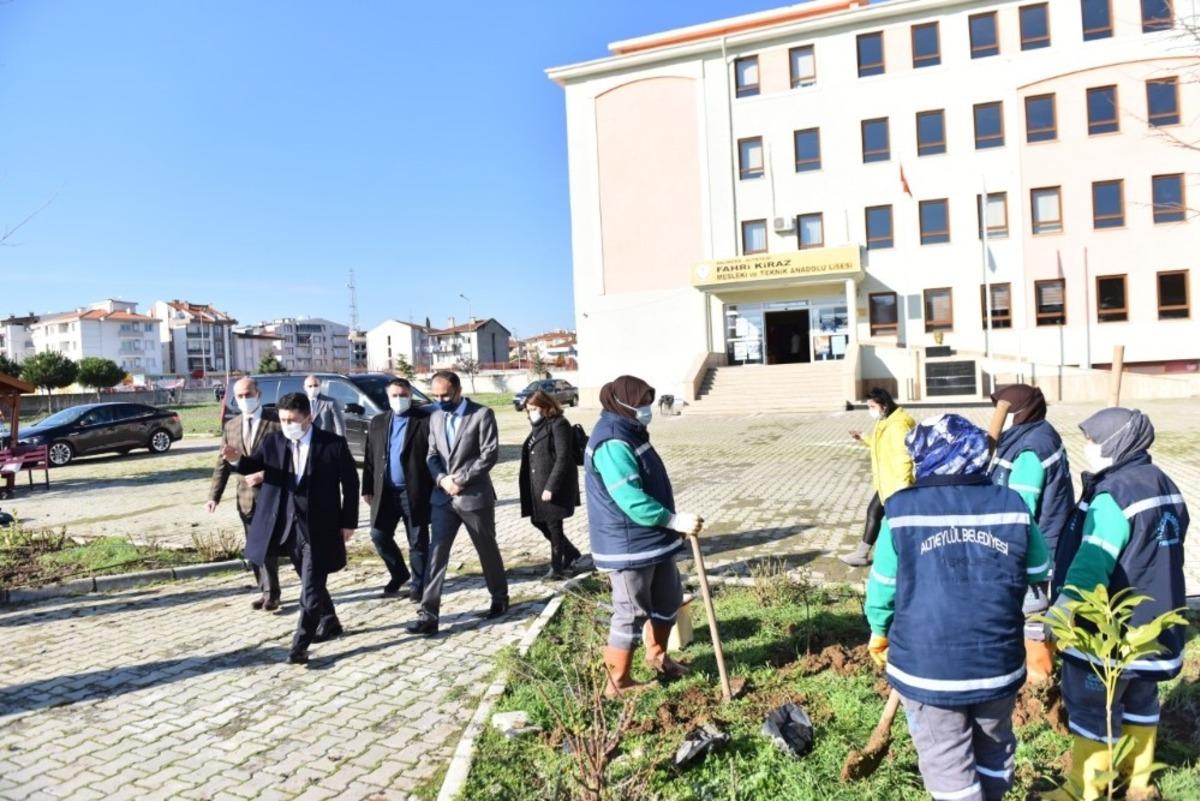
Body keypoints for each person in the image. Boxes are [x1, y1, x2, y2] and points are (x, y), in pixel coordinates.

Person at [865, 414, 1051, 801]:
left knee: (945, 758)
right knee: (995, 746)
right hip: (998, 663)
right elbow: (1038, 567)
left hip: (928, 670)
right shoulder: (1012, 503)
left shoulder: (900, 511)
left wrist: (880, 631)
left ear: (922, 457)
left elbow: (883, 588)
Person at [1045, 408, 1188, 801]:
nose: (1087, 447)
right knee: (1142, 700)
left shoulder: (1114, 496)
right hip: (1154, 624)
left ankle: (1085, 789)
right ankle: (1139, 782)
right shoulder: (1165, 483)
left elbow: (1094, 561)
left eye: (1092, 440)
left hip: (1109, 631)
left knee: (1093, 708)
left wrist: (1064, 608)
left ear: (1115, 443)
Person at [586, 375, 703, 696]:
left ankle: (658, 657)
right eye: (640, 403)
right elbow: (631, 499)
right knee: (631, 613)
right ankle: (617, 682)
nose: (646, 409)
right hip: (627, 545)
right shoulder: (611, 441)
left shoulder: (629, 429)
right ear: (621, 403)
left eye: (648, 402)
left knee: (667, 600)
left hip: (653, 541)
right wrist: (674, 520)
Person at [222, 392, 359, 664]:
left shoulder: (332, 444)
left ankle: (300, 644)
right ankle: (330, 620)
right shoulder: (274, 441)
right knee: (310, 580)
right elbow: (254, 464)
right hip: (286, 526)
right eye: (283, 420)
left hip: (320, 526)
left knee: (309, 589)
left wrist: (348, 522)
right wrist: (236, 459)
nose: (287, 425)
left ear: (309, 417)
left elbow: (351, 485)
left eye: (293, 420)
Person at [406, 370, 508, 636]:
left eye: (445, 395)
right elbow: (431, 455)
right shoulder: (435, 416)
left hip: (473, 497)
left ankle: (499, 597)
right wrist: (442, 480)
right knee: (436, 556)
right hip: (443, 498)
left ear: (458, 391)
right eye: (436, 396)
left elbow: (489, 454)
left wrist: (460, 480)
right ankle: (428, 615)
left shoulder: (482, 414)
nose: (440, 400)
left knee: (487, 550)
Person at [988, 384, 1075, 683]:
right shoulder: (1036, 433)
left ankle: (1039, 676)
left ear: (1019, 413)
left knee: (1031, 606)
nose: (998, 416)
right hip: (1042, 538)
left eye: (1004, 410)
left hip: (1033, 544)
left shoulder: (1030, 450)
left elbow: (1020, 508)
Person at [206, 377, 282, 609]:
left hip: (273, 495)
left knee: (268, 546)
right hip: (246, 498)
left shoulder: (277, 421)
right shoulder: (232, 426)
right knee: (254, 548)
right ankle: (265, 590)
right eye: (239, 396)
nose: (244, 400)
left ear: (258, 394)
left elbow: (290, 459)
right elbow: (223, 463)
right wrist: (213, 496)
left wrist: (265, 475)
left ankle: (272, 594)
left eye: (248, 394)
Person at [362, 378, 432, 601]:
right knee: (378, 534)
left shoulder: (424, 420)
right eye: (395, 395)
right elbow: (370, 457)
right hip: (385, 492)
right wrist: (367, 487)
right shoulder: (379, 422)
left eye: (403, 395)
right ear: (388, 397)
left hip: (414, 491)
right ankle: (399, 573)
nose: (399, 399)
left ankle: (418, 585)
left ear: (410, 396)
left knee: (418, 541)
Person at [840, 387, 915, 567]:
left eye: (872, 406)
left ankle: (905, 557)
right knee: (874, 512)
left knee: (891, 521)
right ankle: (861, 554)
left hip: (896, 485)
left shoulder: (898, 425)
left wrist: (903, 487)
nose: (870, 410)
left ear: (884, 405)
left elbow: (904, 457)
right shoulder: (886, 420)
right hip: (887, 482)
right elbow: (881, 445)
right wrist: (864, 437)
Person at [518, 389, 582, 579]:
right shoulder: (538, 426)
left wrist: (551, 487)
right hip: (536, 486)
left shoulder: (559, 424)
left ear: (546, 406)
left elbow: (563, 457)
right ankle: (570, 553)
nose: (531, 413)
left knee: (554, 525)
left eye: (534, 408)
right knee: (537, 520)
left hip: (553, 486)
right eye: (528, 410)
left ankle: (557, 568)